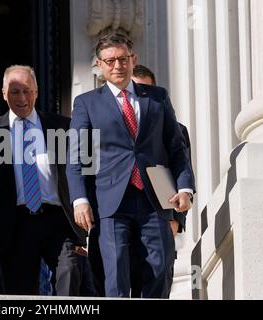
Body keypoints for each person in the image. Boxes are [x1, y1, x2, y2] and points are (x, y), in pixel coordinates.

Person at [66, 32, 195, 298]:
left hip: (155, 199)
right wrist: (79, 199)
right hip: (111, 201)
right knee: (115, 273)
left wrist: (185, 188)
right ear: (99, 65)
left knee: (159, 270)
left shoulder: (157, 98)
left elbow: (176, 147)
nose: (117, 66)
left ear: (132, 59)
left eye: (123, 59)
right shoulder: (86, 103)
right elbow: (76, 155)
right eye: (110, 61)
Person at [0, 65, 87, 295]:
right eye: (15, 91)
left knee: (70, 273)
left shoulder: (64, 127)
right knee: (20, 291)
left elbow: (86, 173)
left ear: (37, 92)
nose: (22, 98)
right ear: (3, 93)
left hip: (58, 219)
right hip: (14, 224)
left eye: (27, 91)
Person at [131, 64, 194, 297]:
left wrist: (177, 219)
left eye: (147, 90)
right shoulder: (109, 128)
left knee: (158, 284)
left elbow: (184, 171)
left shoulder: (176, 130)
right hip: (121, 221)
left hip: (160, 220)